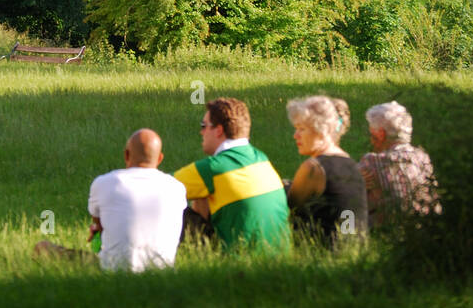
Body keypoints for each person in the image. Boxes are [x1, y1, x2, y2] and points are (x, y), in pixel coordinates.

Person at [34, 128, 187, 271]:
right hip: (161, 271)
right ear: (160, 158)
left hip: (110, 267)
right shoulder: (177, 188)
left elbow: (98, 226)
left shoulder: (104, 183)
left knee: (42, 247)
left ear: (126, 155)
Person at [174, 97, 290, 250]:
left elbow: (153, 187)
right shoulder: (262, 159)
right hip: (280, 258)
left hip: (239, 264)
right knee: (204, 195)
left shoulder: (212, 169)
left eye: (204, 126)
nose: (201, 132)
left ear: (219, 130)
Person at [286, 95, 368, 243]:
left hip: (326, 252)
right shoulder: (349, 162)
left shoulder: (313, 168)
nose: (295, 135)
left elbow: (287, 207)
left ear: (321, 130)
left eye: (301, 129)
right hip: (354, 249)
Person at [358, 101, 441, 228]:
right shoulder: (422, 157)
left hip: (387, 229)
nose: (371, 140)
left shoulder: (372, 161)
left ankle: (346, 236)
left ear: (381, 135)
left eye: (371, 135)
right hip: (424, 226)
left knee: (345, 196)